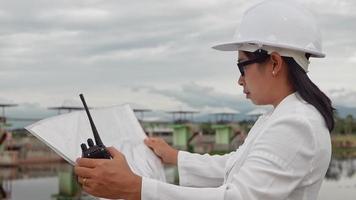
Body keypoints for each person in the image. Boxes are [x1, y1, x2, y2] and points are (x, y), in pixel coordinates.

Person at [74, 0, 334, 199]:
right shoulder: (281, 116)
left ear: (275, 63)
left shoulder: (296, 125)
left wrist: (135, 188)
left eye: (242, 66)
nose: (240, 80)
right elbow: (233, 165)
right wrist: (175, 156)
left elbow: (237, 197)